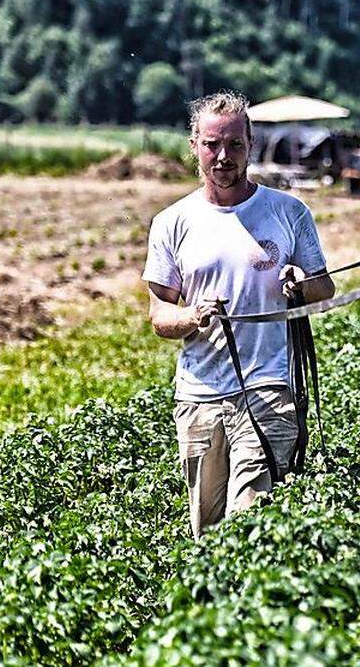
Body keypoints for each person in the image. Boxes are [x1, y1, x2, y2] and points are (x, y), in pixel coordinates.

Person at [142, 91, 335, 539]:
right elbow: (159, 316)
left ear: (250, 144)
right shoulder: (173, 222)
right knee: (206, 532)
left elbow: (324, 287)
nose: (223, 157)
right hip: (200, 396)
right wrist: (191, 316)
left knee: (252, 526)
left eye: (234, 145)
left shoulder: (288, 212)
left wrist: (297, 285)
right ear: (194, 145)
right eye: (212, 145)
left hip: (267, 390)